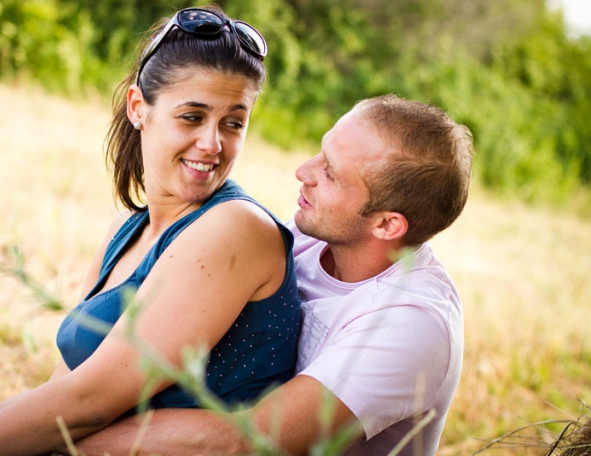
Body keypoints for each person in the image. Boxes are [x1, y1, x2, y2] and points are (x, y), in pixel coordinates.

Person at [0, 5, 301, 455]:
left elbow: (89, 403)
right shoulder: (127, 232)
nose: (213, 143)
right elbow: (57, 396)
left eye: (233, 123)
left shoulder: (235, 228)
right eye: (192, 117)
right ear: (139, 107)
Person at [73, 93, 475, 455]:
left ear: (387, 226)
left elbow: (244, 440)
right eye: (320, 153)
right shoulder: (311, 235)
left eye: (331, 173)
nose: (304, 171)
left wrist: (62, 435)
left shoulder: (408, 324)